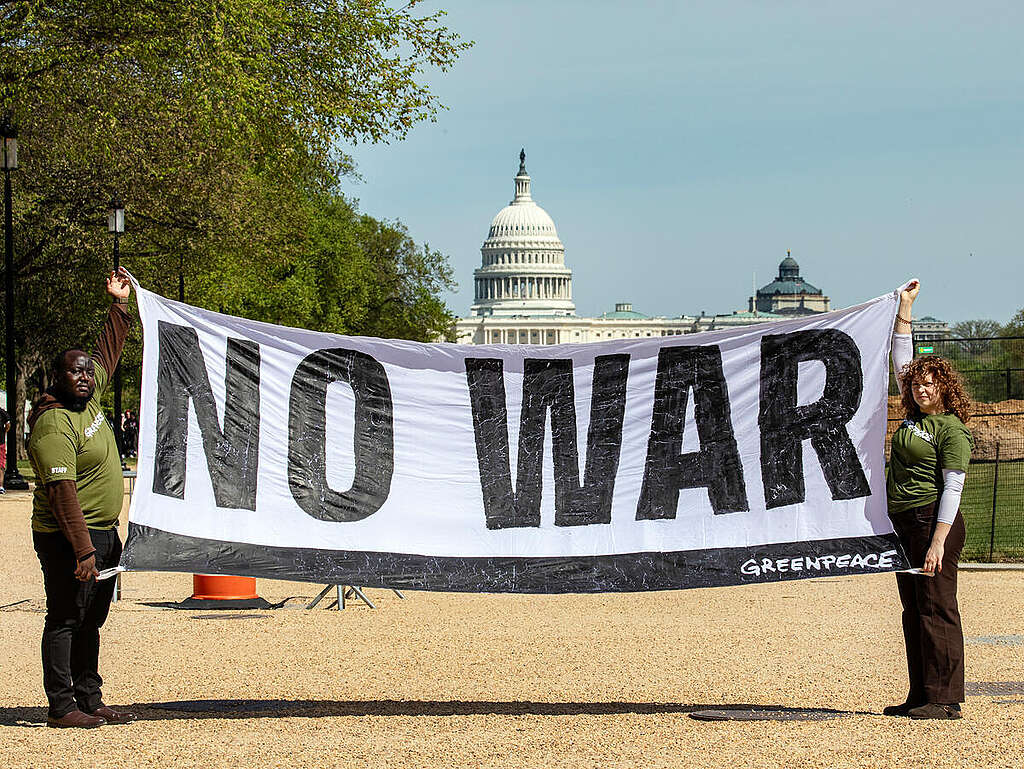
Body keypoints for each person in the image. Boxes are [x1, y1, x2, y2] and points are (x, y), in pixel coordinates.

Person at [27, 268, 137, 728]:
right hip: (70, 538)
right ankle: (62, 705)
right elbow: (61, 493)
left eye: (88, 371)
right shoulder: (54, 424)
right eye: (76, 372)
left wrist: (119, 304)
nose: (86, 377)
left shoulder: (88, 402)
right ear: (57, 378)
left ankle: (90, 696)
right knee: (66, 618)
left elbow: (108, 352)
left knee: (92, 618)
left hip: (103, 533)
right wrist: (83, 550)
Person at [884, 279, 973, 720]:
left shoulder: (951, 429)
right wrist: (906, 307)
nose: (920, 387)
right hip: (905, 522)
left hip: (932, 521)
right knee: (913, 608)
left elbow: (953, 487)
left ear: (945, 388)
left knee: (937, 605)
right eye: (917, 382)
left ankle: (945, 698)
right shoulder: (913, 414)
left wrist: (939, 541)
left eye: (930, 383)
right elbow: (903, 360)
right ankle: (920, 693)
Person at [0, 404, 9, 494]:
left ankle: (1, 486)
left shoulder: (2, 413)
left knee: (1, 465)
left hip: (0, 443)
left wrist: (4, 432)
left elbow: (8, 424)